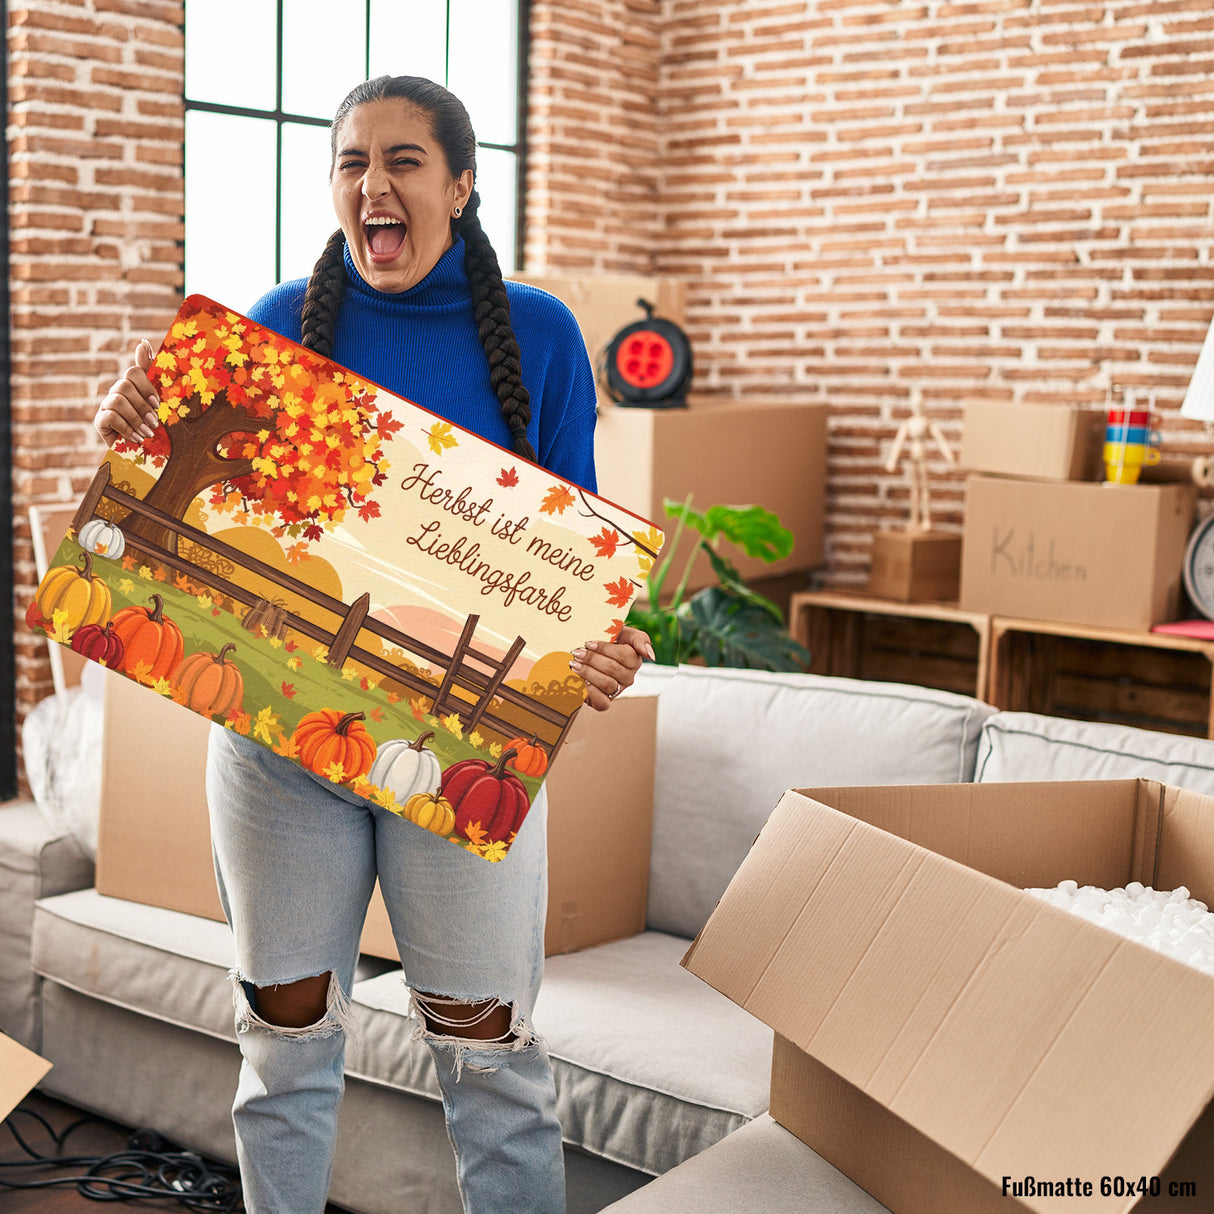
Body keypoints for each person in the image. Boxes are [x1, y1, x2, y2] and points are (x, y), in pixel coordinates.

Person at [93, 74, 654, 1214]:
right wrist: (134, 431)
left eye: (403, 159)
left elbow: (573, 563)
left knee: (488, 1061)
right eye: (352, 161)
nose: (373, 182)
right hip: (275, 755)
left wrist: (598, 646)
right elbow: (190, 523)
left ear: (458, 184)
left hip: (463, 756)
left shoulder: (541, 335)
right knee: (281, 1050)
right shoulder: (275, 315)